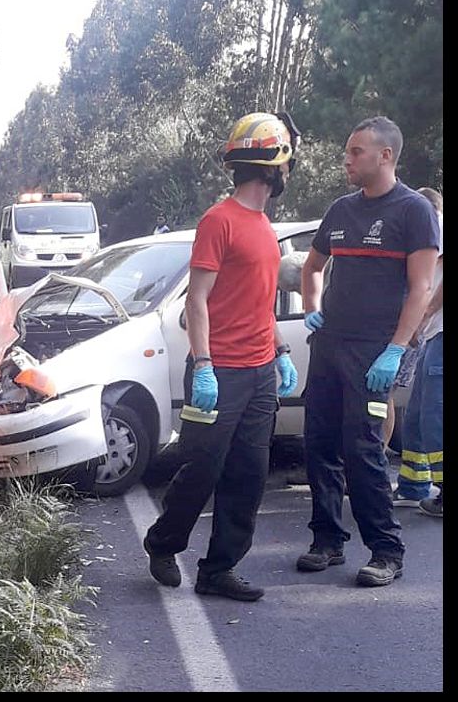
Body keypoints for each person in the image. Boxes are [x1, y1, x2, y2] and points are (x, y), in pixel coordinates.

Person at [143, 112, 302, 602]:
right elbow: (196, 299)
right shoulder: (220, 220)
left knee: (249, 475)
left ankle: (218, 570)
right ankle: (163, 543)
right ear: (274, 167)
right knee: (203, 468)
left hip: (259, 374)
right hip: (220, 371)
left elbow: (259, 301)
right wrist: (205, 365)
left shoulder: (262, 225)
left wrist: (279, 351)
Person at [296, 117, 440, 586]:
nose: (347, 160)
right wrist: (311, 309)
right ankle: (327, 541)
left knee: (363, 449)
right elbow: (312, 268)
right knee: (319, 443)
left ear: (386, 156)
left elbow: (421, 287)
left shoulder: (414, 211)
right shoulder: (340, 210)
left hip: (373, 353)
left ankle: (386, 550)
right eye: (347, 150)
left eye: (356, 151)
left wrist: (396, 349)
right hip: (329, 345)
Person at [394, 187, 443, 514]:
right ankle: (413, 485)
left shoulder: (436, 223)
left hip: (440, 331)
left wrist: (423, 314)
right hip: (432, 334)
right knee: (415, 416)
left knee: (434, 415)